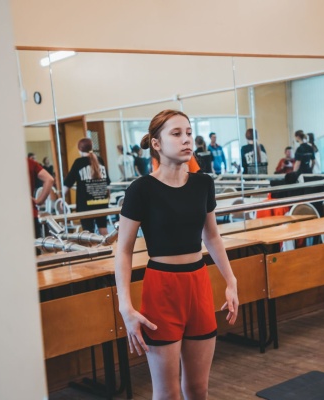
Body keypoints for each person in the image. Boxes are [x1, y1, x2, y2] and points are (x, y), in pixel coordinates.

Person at [114, 109, 238, 400]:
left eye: (189, 133)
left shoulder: (203, 183)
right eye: (177, 133)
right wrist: (125, 306)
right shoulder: (141, 189)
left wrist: (231, 280)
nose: (186, 140)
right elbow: (123, 250)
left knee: (198, 389)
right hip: (162, 288)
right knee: (167, 393)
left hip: (198, 284)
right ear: (156, 144)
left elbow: (212, 236)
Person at [62, 138, 111, 235]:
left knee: (88, 232)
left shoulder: (79, 162)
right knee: (103, 228)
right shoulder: (99, 160)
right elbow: (107, 182)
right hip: (101, 201)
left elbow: (68, 182)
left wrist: (61, 198)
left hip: (86, 204)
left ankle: (93, 246)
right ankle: (109, 245)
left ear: (79, 149)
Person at [27, 157, 54, 239]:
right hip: (30, 214)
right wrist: (39, 201)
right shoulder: (29, 162)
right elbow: (49, 179)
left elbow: (50, 179)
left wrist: (39, 201)